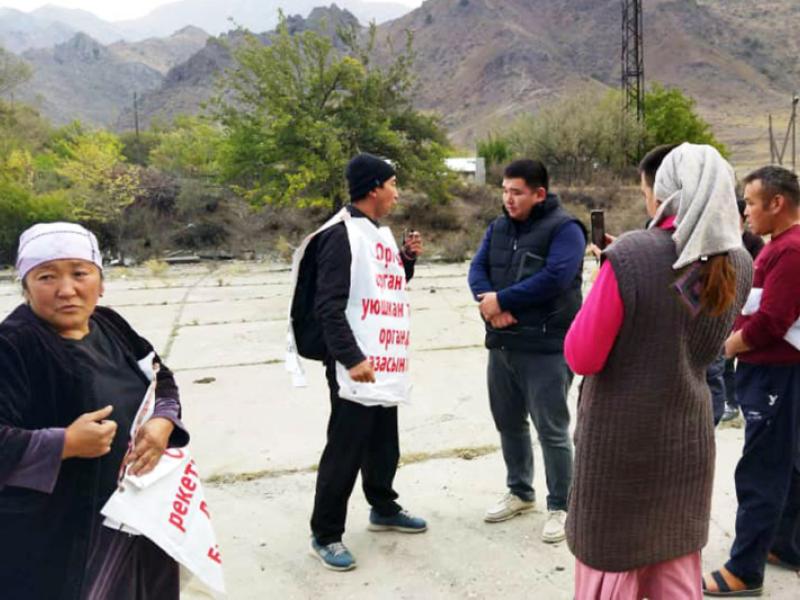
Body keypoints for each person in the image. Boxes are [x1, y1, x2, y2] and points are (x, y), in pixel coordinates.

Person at [564, 143, 753, 599]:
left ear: (665, 193)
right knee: (673, 564)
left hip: (620, 448)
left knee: (614, 564)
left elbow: (581, 357)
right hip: (687, 441)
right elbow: (682, 315)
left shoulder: (632, 257)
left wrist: (608, 279)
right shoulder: (738, 261)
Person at [0, 222, 189, 599]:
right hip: (55, 534)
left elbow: (159, 376)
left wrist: (162, 421)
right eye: (47, 276)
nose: (66, 290)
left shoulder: (111, 324)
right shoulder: (12, 345)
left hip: (134, 514)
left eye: (80, 273)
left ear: (100, 282)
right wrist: (63, 443)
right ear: (25, 286)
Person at [288, 153, 427, 572]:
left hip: (380, 360)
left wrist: (406, 259)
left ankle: (383, 506)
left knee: (384, 441)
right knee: (346, 448)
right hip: (355, 363)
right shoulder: (339, 235)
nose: (396, 191)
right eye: (392, 182)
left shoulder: (375, 233)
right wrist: (351, 358)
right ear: (373, 188)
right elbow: (328, 306)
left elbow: (383, 286)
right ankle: (325, 534)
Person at [467, 159, 586, 543]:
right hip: (503, 344)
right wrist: (489, 302)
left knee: (551, 429)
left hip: (547, 346)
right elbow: (477, 269)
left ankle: (561, 505)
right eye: (504, 191)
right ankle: (520, 491)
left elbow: (556, 277)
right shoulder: (498, 227)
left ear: (539, 193)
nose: (508, 199)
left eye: (516, 192)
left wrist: (502, 300)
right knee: (508, 422)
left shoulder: (566, 229)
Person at [703, 166, 800, 596]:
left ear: (776, 204)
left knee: (761, 469)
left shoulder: (791, 251)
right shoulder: (778, 246)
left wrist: (726, 346)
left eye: (751, 202)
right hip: (773, 372)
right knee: (788, 464)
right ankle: (783, 543)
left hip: (775, 373)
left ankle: (744, 570)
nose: (745, 211)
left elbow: (772, 322)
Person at [720, 198, 766, 423]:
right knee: (724, 362)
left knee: (733, 354)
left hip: (746, 308)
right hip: (724, 308)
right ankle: (731, 402)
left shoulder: (753, 241)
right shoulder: (718, 241)